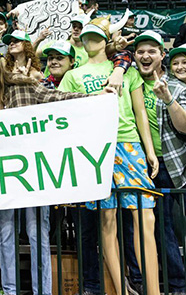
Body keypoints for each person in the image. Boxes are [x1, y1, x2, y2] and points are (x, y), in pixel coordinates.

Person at [0, 41, 111, 295]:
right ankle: (9, 291)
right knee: (5, 235)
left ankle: (42, 291)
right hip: (1, 177)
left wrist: (93, 98)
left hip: (34, 174)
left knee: (37, 235)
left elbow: (57, 98)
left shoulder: (22, 86)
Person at [58, 17, 160, 295]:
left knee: (145, 217)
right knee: (107, 220)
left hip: (128, 143)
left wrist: (149, 150)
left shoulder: (125, 70)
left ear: (105, 40)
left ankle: (154, 290)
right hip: (95, 149)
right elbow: (67, 117)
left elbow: (139, 112)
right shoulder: (73, 75)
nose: (91, 41)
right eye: (87, 36)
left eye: (96, 36)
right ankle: (121, 290)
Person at [132, 32, 186, 294]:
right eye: (140, 51)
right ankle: (142, 281)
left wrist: (167, 97)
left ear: (162, 55)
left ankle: (176, 284)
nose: (146, 56)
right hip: (135, 163)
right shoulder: (129, 83)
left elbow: (184, 127)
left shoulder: (176, 86)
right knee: (135, 226)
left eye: (152, 51)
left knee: (164, 225)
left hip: (169, 165)